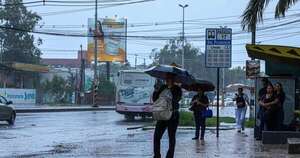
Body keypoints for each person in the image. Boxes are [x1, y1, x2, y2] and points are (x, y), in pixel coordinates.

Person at [152, 74, 182, 158]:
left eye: (169, 78)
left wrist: (170, 91)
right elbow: (155, 99)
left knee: (171, 137)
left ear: (173, 79)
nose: (167, 80)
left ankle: (169, 156)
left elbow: (176, 99)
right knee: (156, 136)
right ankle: (157, 155)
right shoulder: (162, 87)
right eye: (166, 78)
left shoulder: (177, 89)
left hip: (173, 115)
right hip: (162, 114)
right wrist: (156, 90)